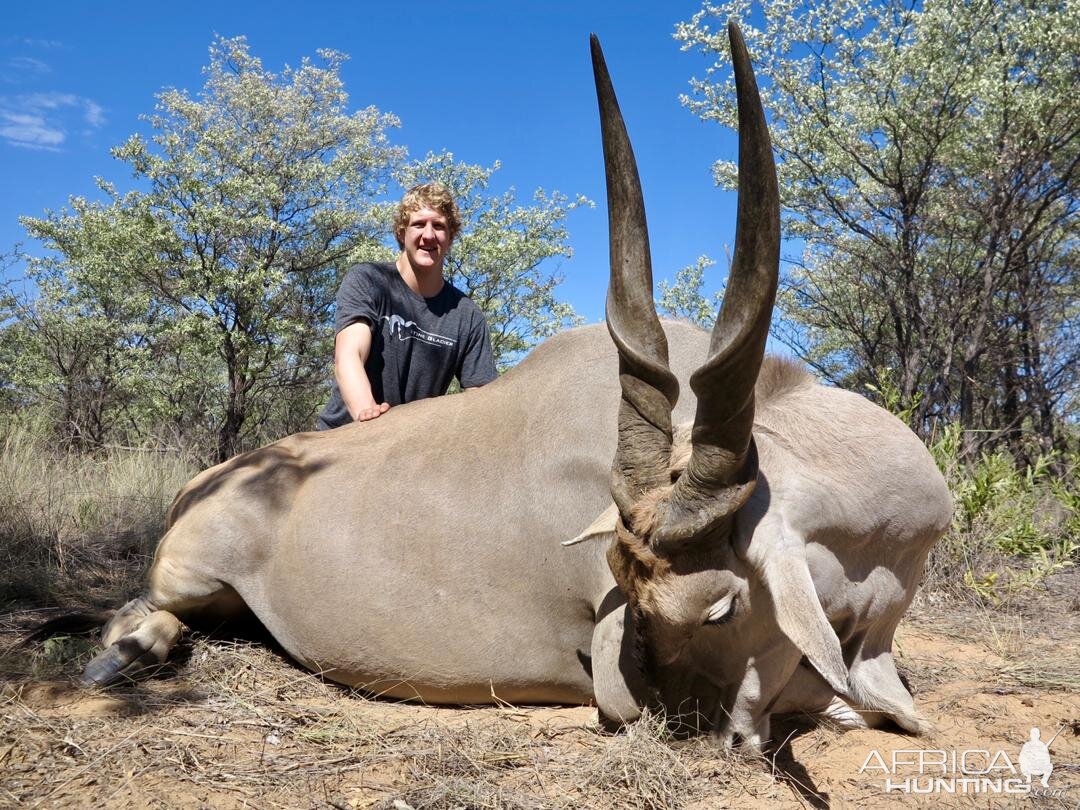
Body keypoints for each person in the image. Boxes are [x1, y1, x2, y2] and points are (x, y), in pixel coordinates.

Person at [316, 183, 497, 430]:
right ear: (402, 233)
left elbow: (481, 399)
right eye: (419, 224)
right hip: (347, 437)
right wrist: (368, 415)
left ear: (451, 237)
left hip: (410, 449)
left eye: (439, 226)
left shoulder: (467, 315)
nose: (429, 235)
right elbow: (349, 354)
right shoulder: (368, 280)